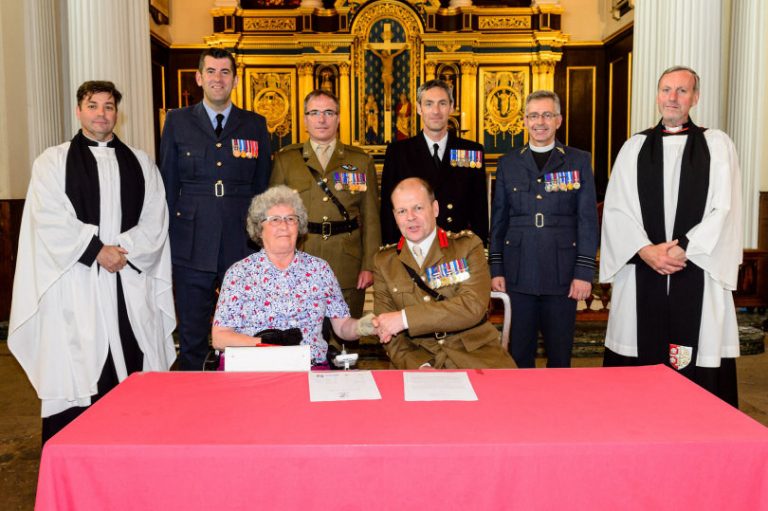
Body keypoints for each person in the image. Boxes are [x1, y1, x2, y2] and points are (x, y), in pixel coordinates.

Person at [8, 81, 176, 444]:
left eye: (109, 106)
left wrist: (123, 249)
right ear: (79, 110)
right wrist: (97, 250)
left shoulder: (141, 163)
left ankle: (134, 455)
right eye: (93, 105)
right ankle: (74, 458)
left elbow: (155, 219)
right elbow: (48, 218)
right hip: (77, 283)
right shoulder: (53, 162)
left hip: (128, 284)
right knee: (79, 364)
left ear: (118, 112)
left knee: (134, 363)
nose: (102, 113)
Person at [599, 66, 742, 406]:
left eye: (681, 91)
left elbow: (725, 208)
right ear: (657, 95)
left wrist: (685, 249)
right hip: (644, 269)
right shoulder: (635, 148)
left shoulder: (716, 145)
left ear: (695, 97)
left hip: (696, 266)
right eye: (666, 90)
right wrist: (646, 251)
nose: (673, 98)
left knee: (698, 349)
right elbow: (617, 209)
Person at [160, 48, 272, 370]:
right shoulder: (177, 121)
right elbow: (168, 185)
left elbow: (262, 188)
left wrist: (260, 241)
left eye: (225, 72)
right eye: (211, 71)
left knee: (245, 330)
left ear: (235, 80)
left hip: (241, 241)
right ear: (199, 77)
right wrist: (167, 240)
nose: (217, 79)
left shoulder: (254, 124)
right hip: (191, 241)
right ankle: (193, 406)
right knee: (193, 334)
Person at [489, 90, 598, 368]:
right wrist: (497, 268)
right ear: (524, 121)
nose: (540, 122)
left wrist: (584, 272)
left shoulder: (578, 161)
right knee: (519, 354)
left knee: (560, 355)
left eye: (547, 115)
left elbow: (587, 219)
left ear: (558, 120)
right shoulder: (508, 163)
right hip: (518, 272)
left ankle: (558, 410)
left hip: (562, 273)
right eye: (534, 115)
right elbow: (499, 220)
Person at [212, 186, 371, 366]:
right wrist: (265, 343)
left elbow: (342, 327)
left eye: (291, 219)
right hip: (252, 367)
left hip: (310, 369)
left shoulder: (319, 270)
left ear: (300, 226)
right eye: (274, 220)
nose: (284, 225)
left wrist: (361, 327)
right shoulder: (239, 273)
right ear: (259, 228)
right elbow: (219, 338)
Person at [373, 178, 516, 369]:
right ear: (395, 216)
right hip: (418, 358)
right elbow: (388, 333)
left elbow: (472, 306)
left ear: (435, 209)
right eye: (402, 211)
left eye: (418, 208)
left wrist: (405, 319)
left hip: (475, 355)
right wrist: (420, 366)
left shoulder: (467, 247)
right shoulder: (384, 261)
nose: (410, 217)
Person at [270, 90, 380, 324]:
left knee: (346, 341)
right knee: (300, 335)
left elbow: (371, 218)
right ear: (305, 119)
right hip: (300, 259)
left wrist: (369, 265)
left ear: (338, 118)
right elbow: (273, 220)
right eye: (315, 113)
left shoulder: (361, 160)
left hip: (347, 260)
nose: (322, 119)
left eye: (329, 112)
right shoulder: (286, 160)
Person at [380, 79, 488, 245]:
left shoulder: (471, 151)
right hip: (413, 248)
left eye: (442, 103)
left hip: (457, 248)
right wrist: (392, 254)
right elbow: (389, 210)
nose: (436, 111)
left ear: (451, 107)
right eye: (429, 104)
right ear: (418, 108)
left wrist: (479, 251)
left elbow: (479, 210)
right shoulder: (398, 152)